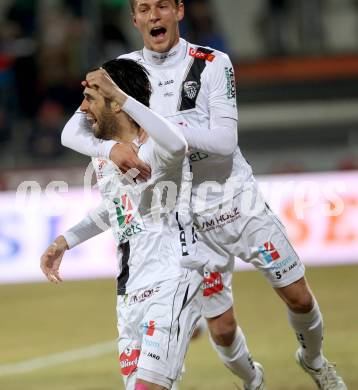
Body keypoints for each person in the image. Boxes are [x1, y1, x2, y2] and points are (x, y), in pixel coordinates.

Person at [60, 1, 346, 389]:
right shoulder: (119, 73)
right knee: (223, 329)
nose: (154, 15)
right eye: (144, 8)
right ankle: (253, 381)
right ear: (135, 18)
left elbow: (224, 142)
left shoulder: (212, 62)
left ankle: (314, 360)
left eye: (162, 6)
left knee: (298, 296)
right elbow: (71, 132)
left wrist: (162, 130)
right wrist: (109, 149)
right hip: (186, 216)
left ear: (179, 11)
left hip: (233, 200)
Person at [42, 57, 205, 390]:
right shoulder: (103, 155)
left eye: (90, 99)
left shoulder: (156, 148)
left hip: (172, 278)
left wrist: (119, 95)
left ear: (116, 104)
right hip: (129, 292)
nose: (83, 109)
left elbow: (178, 144)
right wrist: (65, 241)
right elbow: (117, 208)